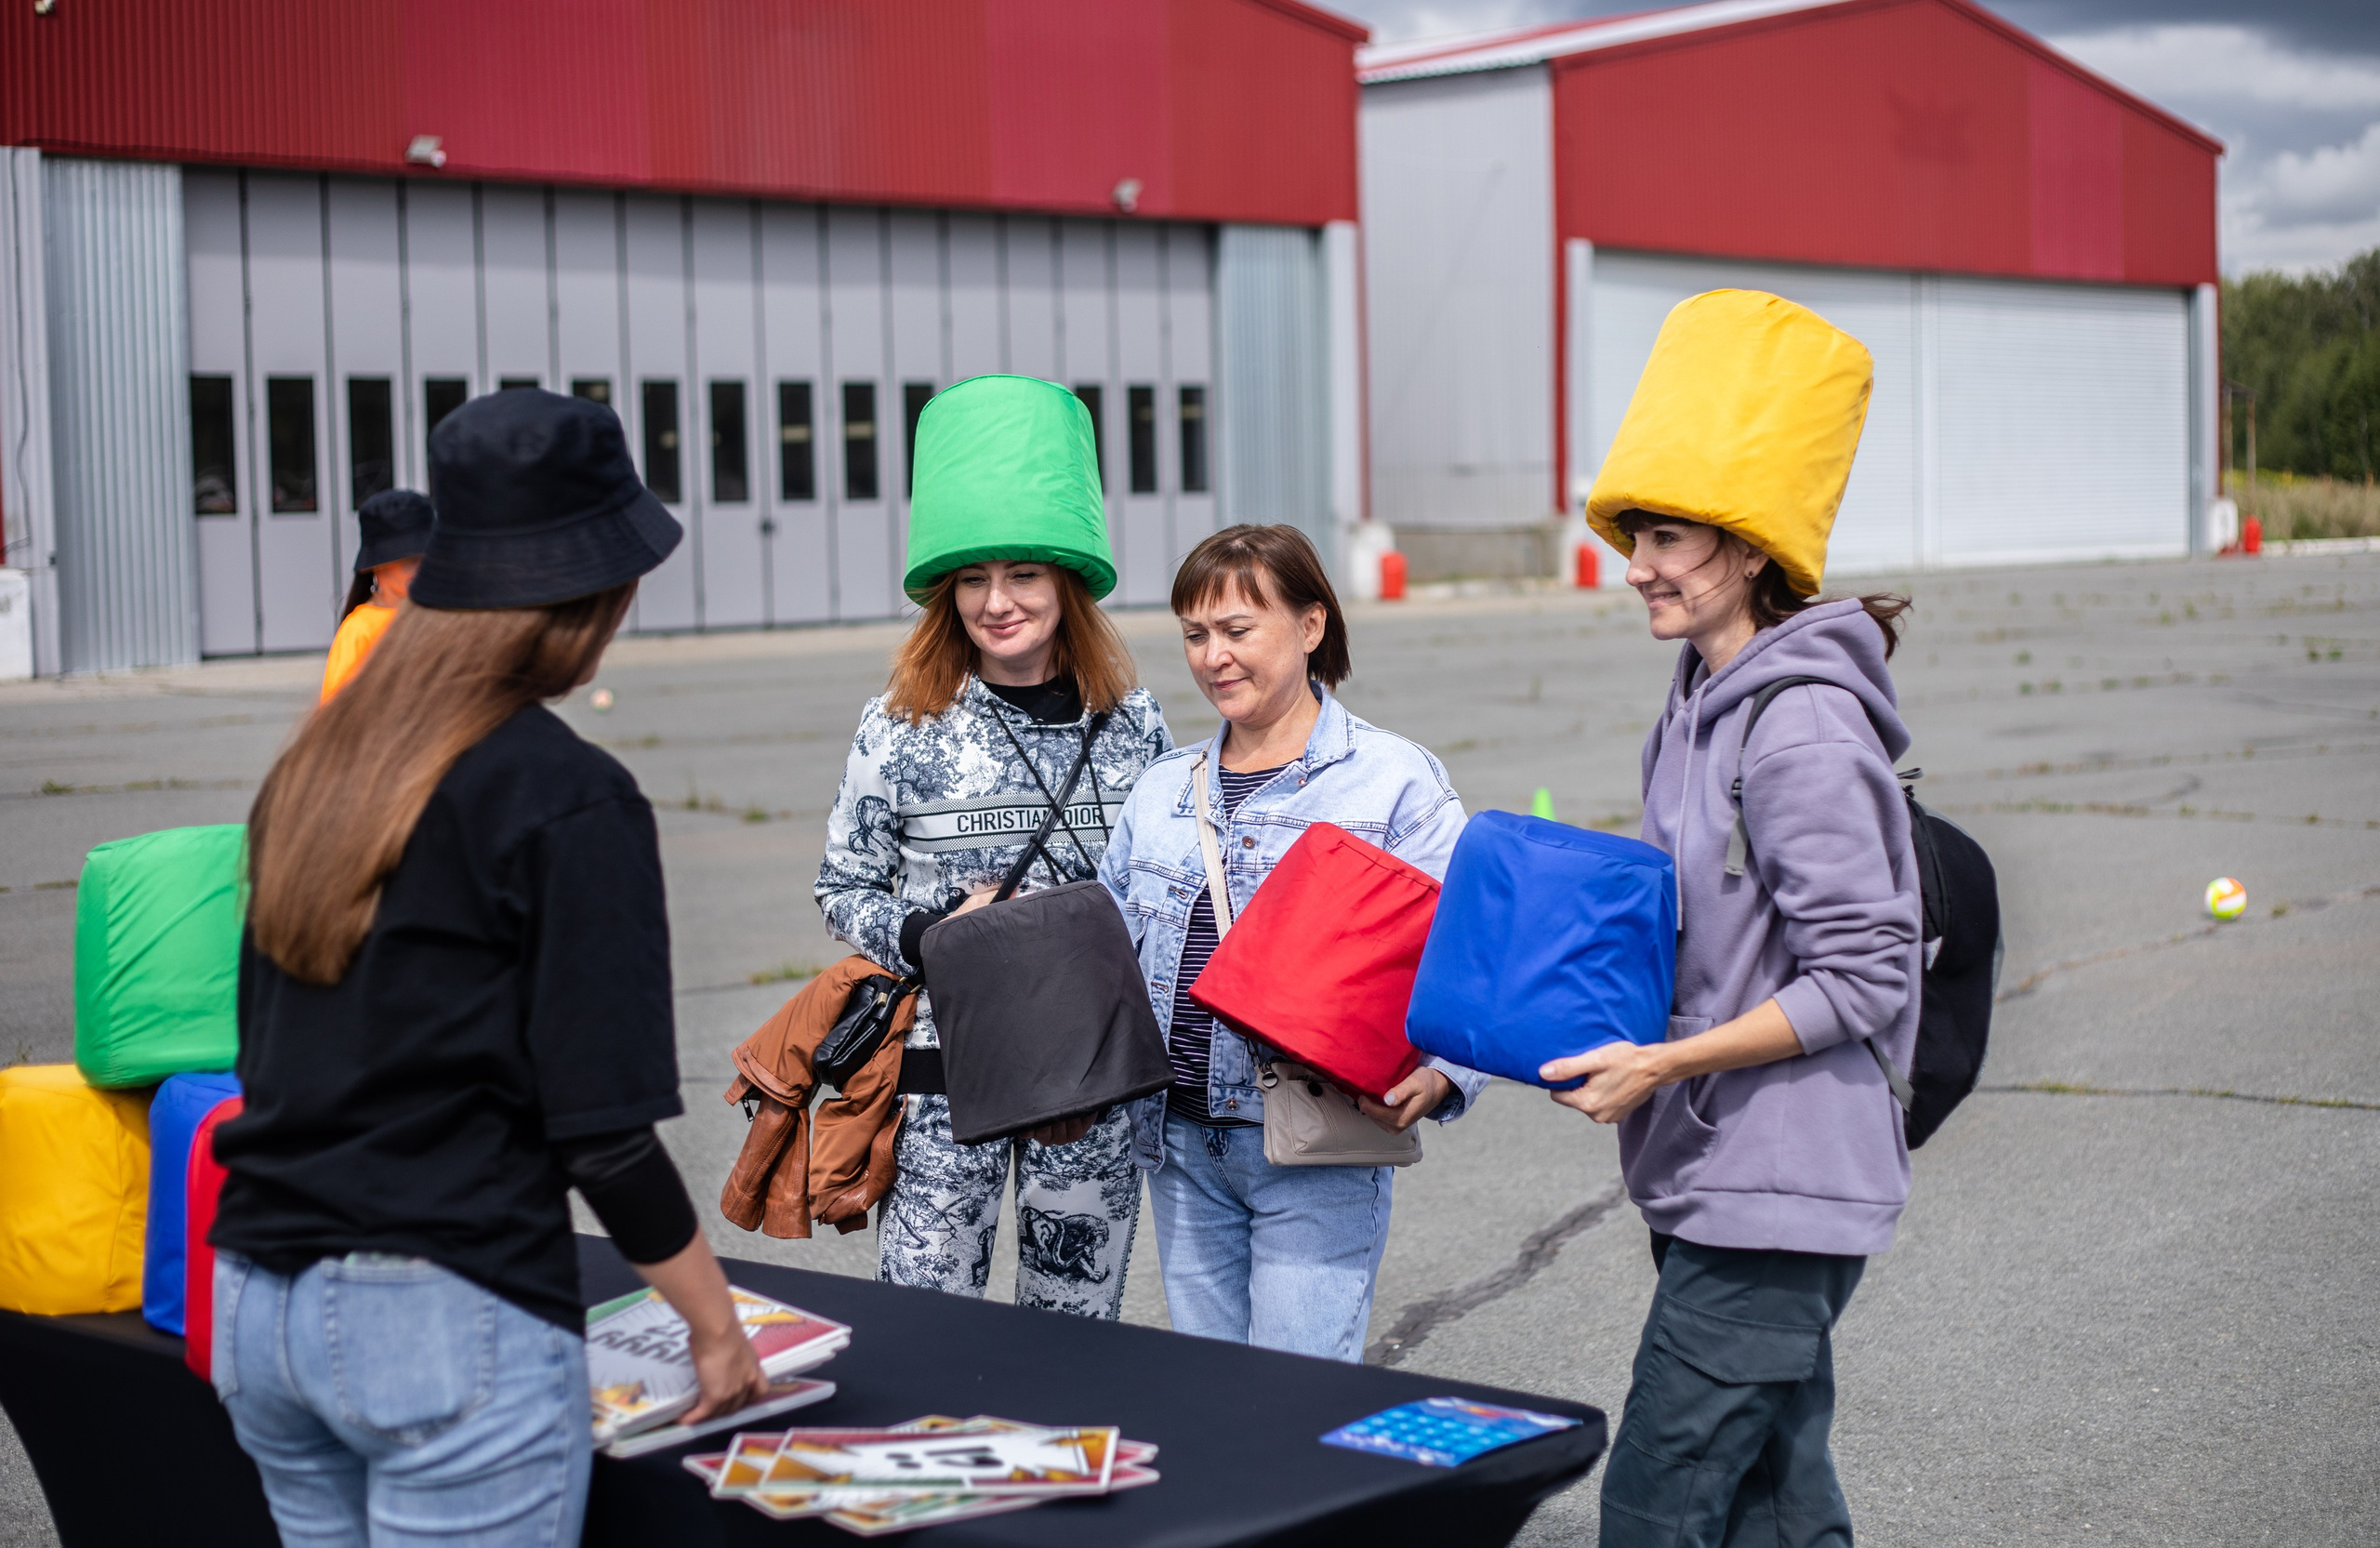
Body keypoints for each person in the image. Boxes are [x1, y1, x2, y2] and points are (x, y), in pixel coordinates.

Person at [210, 390, 769, 1548]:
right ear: (584, 601)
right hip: (436, 1316)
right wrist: (715, 1328)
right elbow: (602, 1129)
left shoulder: (316, 769)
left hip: (260, 1300)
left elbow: (272, 1051)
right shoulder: (567, 797)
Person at [1542, 289, 1920, 1548]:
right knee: (1772, 1499)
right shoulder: (1699, 697)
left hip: (1782, 1183)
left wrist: (1669, 1060)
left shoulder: (1799, 721)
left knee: (1657, 1506)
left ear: (1751, 548)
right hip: (1711, 1174)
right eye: (1633, 535)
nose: (1636, 565)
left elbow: (1865, 977)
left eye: (1666, 539)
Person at [814, 374, 1170, 1317]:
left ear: (1064, 580)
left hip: (1088, 1082)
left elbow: (1168, 884)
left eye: (1021, 574)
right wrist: (929, 934)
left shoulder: (1131, 722)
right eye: (973, 578)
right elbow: (841, 885)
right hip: (941, 1085)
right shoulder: (902, 722)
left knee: (1074, 1328)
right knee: (931, 1326)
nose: (996, 601)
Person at [1097, 523, 1488, 1362]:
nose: (1214, 658)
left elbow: (1472, 948)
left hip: (1319, 1145)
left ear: (1311, 626)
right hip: (1180, 1145)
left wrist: (1446, 1075)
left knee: (1297, 1394)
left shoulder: (1391, 780)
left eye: (1239, 630)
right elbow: (1110, 948)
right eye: (1197, 635)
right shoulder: (1164, 788)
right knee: (1216, 1391)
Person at [321, 489, 433, 702]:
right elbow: (336, 713)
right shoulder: (360, 631)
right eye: (409, 561)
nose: (421, 568)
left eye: (427, 558)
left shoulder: (442, 616)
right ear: (377, 565)